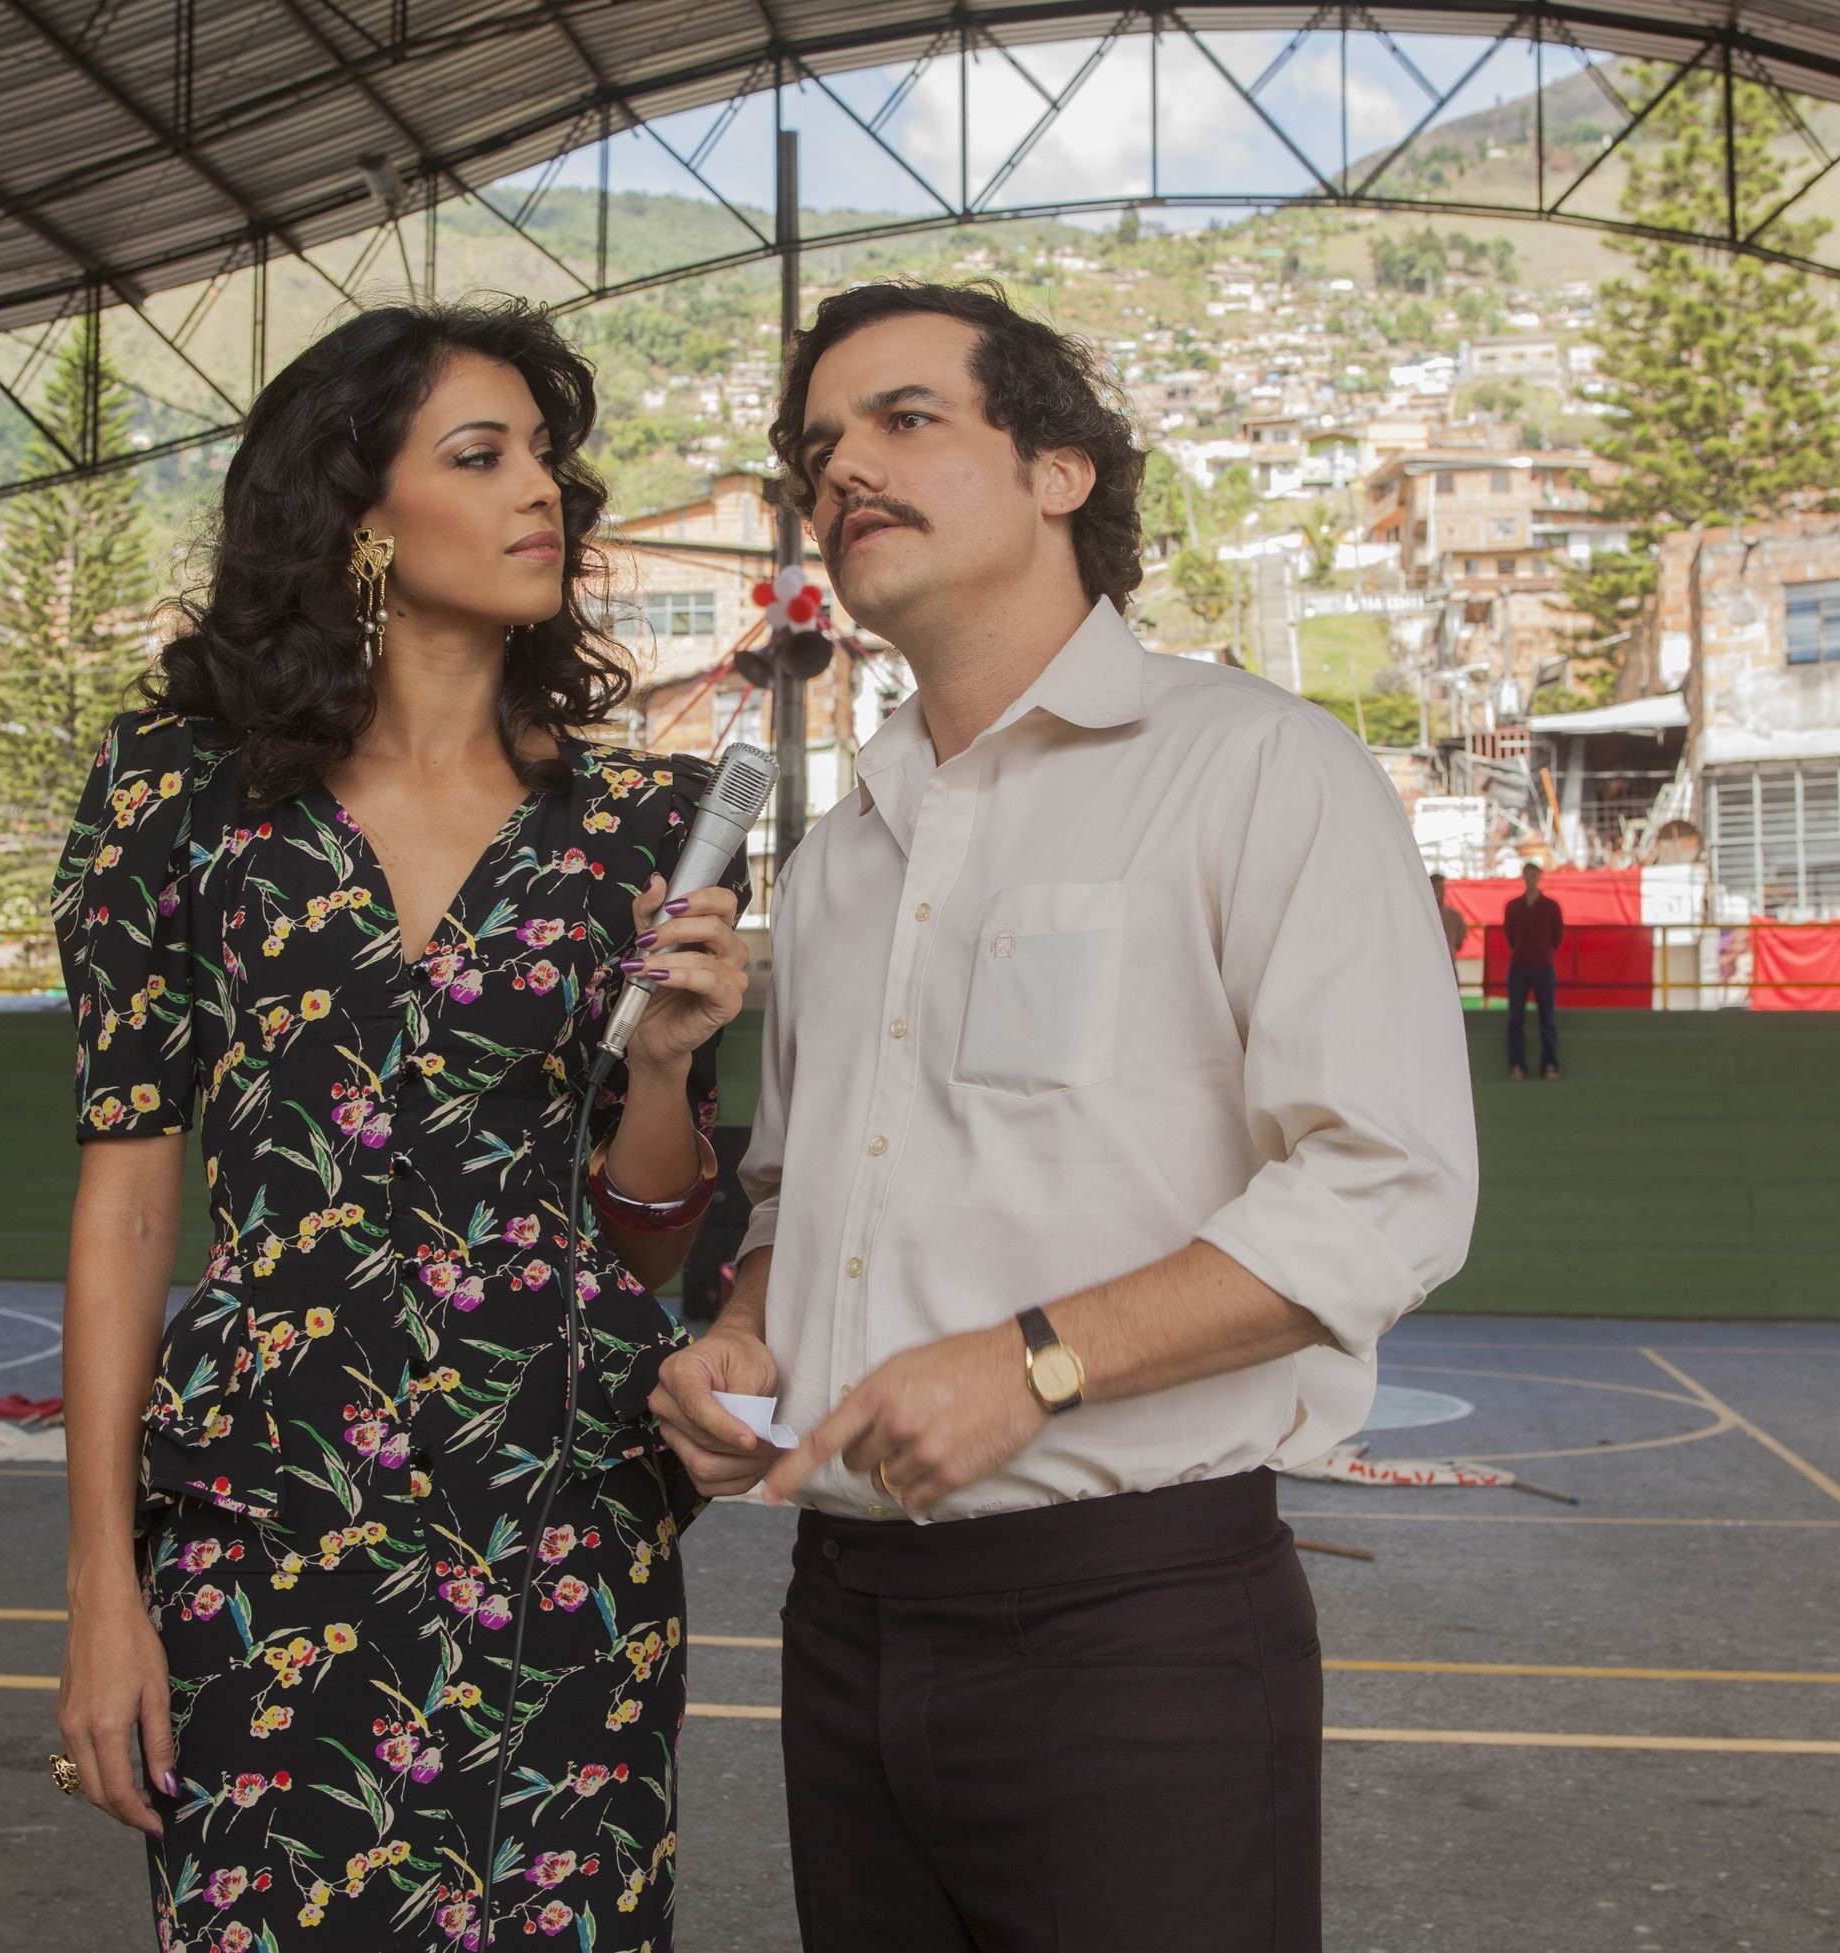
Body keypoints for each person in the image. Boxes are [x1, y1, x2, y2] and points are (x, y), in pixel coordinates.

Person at [648, 282, 1477, 1952]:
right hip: (847, 1616)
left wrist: (1036, 1357)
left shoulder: (1262, 768)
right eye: (819, 447)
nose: (844, 471)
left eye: (904, 418)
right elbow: (803, 1185)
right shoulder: (844, 855)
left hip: (1136, 1624)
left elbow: (1388, 1192)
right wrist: (743, 1325)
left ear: (1060, 470)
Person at [49, 300, 751, 1953]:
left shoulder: (640, 819)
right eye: (482, 455)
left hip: (563, 1503)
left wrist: (661, 1064)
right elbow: (131, 1196)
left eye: (552, 461)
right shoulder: (174, 796)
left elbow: (650, 1218)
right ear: (357, 509)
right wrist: (99, 1580)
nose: (546, 496)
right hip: (264, 1504)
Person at [1503, 860, 1566, 1080]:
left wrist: (1544, 951)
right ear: (1523, 877)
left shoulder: (1551, 906)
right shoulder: (1513, 906)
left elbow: (1557, 936)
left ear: (1539, 877)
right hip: (1519, 965)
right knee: (1515, 1017)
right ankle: (1517, 1065)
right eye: (1527, 874)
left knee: (1547, 1017)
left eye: (1534, 875)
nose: (1530, 879)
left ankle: (1549, 1064)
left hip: (1543, 965)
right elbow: (1510, 935)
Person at [1433, 870, 1470, 959]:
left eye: (1442, 888)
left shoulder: (1454, 916)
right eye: (1436, 888)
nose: (1440, 892)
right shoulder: (1422, 917)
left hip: (1449, 960)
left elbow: (1459, 942)